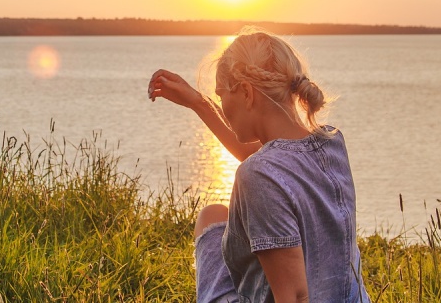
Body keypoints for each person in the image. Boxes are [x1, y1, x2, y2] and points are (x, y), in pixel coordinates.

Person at [148, 28, 370, 303]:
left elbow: (296, 296)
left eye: (220, 96)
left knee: (211, 221)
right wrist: (199, 103)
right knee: (215, 214)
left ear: (245, 93)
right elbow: (266, 161)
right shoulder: (331, 141)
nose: (222, 105)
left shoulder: (259, 175)